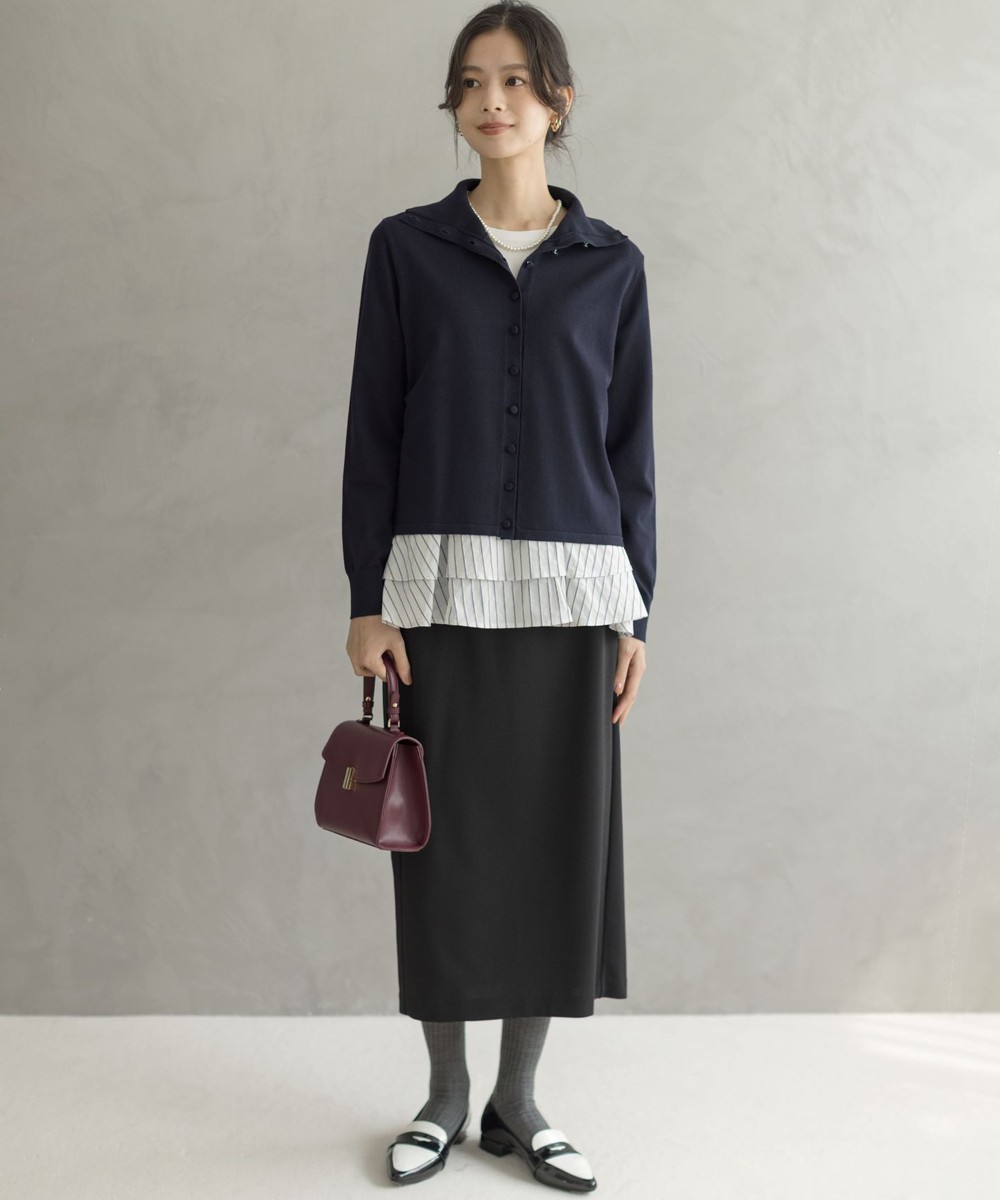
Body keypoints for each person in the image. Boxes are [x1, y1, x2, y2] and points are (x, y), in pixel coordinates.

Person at [341, 2, 656, 1189]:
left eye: (517, 81)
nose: (492, 101)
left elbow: (631, 453)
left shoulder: (612, 266)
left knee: (551, 850)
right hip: (436, 594)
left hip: (577, 600)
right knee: (441, 848)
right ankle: (443, 1094)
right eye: (472, 81)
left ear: (557, 101)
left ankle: (517, 1103)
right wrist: (366, 599)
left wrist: (636, 615)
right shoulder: (406, 250)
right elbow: (374, 434)